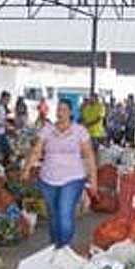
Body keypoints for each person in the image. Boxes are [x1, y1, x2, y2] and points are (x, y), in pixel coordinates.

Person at [25, 98, 98, 249]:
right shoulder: (47, 129)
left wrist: (93, 180)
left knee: (65, 214)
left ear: (71, 112)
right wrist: (27, 169)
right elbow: (36, 151)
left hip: (73, 178)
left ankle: (64, 249)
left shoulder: (80, 131)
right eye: (58, 109)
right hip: (48, 179)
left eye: (64, 110)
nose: (60, 113)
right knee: (53, 216)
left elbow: (89, 156)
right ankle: (55, 246)